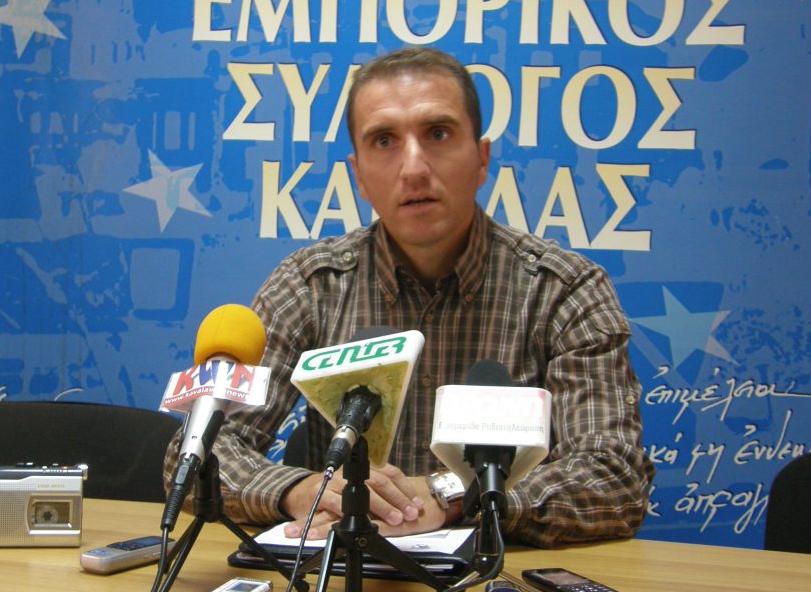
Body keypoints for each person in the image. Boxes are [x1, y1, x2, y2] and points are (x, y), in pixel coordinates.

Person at [163, 46, 655, 547]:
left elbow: (613, 478)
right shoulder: (310, 286)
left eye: (437, 133)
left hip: (495, 576)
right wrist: (301, 490)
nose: (414, 167)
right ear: (359, 175)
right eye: (384, 141)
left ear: (481, 159)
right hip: (340, 572)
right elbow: (197, 452)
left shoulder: (565, 291)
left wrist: (449, 494)